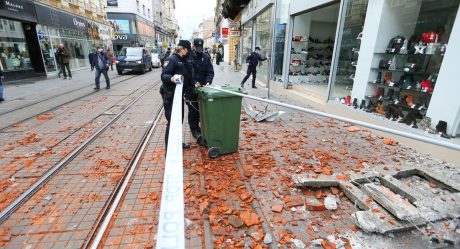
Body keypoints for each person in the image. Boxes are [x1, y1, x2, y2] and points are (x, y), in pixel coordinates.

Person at [160, 40, 193, 150]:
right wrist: (172, 78)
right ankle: (169, 147)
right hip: (170, 95)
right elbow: (164, 76)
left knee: (179, 119)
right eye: (187, 50)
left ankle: (177, 143)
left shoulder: (183, 60)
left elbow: (187, 77)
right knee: (172, 120)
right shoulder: (172, 59)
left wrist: (193, 84)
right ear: (182, 49)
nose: (188, 52)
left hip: (178, 96)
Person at [185, 38, 214, 143]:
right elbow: (187, 74)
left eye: (200, 48)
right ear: (193, 46)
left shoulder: (206, 57)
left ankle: (201, 128)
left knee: (202, 110)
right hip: (191, 89)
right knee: (193, 111)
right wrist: (194, 83)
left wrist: (208, 82)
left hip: (203, 89)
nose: (199, 50)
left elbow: (210, 72)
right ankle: (194, 129)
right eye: (197, 48)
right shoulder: (188, 58)